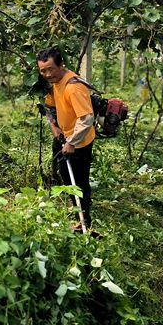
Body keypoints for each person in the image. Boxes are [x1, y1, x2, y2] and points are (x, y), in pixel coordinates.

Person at [36, 47, 96, 230]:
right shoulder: (55, 83)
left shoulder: (73, 87)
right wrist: (54, 127)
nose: (47, 74)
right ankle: (78, 214)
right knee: (67, 178)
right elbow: (50, 107)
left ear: (61, 65)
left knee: (78, 182)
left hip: (80, 140)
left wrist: (72, 142)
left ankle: (84, 221)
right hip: (65, 136)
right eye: (42, 70)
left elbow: (86, 119)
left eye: (50, 69)